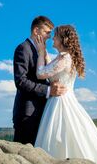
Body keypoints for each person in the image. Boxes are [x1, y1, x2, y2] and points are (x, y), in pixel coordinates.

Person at [34, 25, 97, 164]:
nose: (53, 38)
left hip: (60, 102)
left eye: (55, 36)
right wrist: (45, 53)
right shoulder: (63, 57)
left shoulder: (64, 59)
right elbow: (51, 70)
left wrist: (41, 53)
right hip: (63, 100)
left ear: (63, 39)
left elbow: (41, 73)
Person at [12, 16, 67, 145]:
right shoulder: (23, 49)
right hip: (27, 114)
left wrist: (51, 84)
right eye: (46, 32)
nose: (49, 36)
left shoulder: (41, 51)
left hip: (41, 111)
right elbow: (21, 81)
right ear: (36, 31)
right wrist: (48, 90)